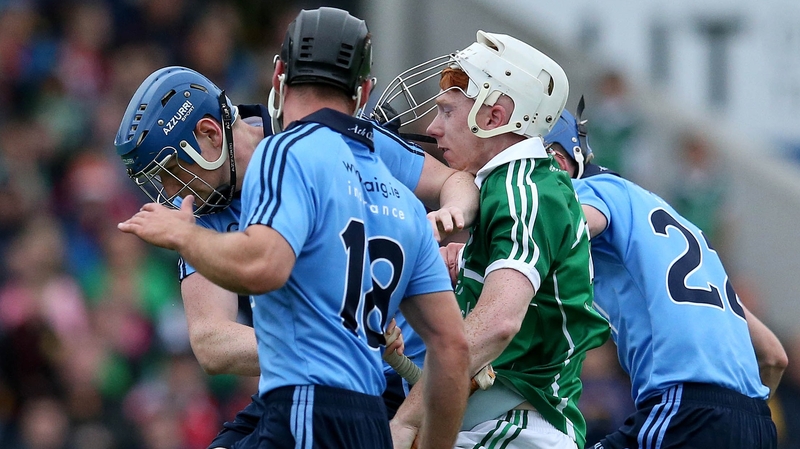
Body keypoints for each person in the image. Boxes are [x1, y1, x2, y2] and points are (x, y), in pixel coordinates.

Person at [115, 7, 472, 449]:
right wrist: (352, 336)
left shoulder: (286, 152)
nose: (170, 193)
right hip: (333, 390)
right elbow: (211, 341)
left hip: (345, 395)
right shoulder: (399, 201)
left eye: (173, 172)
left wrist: (185, 236)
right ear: (361, 91)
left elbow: (268, 265)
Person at [378, 31, 611, 449]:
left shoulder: (523, 189)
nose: (432, 128)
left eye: (447, 112)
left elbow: (498, 324)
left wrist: (406, 419)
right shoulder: (508, 188)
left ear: (493, 116)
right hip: (495, 419)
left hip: (518, 428)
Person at [543, 105, 787, 448]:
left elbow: (572, 226)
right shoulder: (683, 231)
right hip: (756, 425)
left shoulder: (591, 190)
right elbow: (774, 356)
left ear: (558, 161)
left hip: (686, 410)